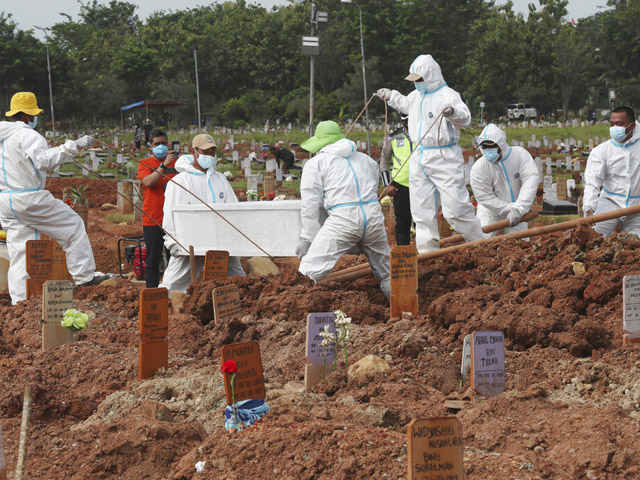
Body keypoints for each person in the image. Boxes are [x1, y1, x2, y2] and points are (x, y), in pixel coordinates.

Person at [0, 91, 104, 304]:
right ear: (29, 115)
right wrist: (74, 146)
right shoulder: (27, 134)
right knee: (73, 225)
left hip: (5, 200)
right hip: (28, 197)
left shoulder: (3, 136)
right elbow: (44, 161)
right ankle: (84, 277)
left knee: (21, 249)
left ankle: (20, 301)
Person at [376, 54, 484, 253]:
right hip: (419, 155)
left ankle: (480, 244)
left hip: (444, 156)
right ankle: (428, 252)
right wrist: (391, 96)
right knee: (421, 210)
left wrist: (453, 113)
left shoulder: (448, 95)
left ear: (430, 76)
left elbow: (465, 117)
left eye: (419, 79)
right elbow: (404, 104)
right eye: (414, 80)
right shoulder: (416, 96)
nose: (417, 84)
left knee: (456, 209)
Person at [296, 120, 390, 297]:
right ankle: (404, 311)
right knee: (389, 272)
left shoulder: (316, 164)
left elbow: (310, 205)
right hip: (373, 217)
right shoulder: (367, 161)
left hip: (343, 220)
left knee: (309, 271)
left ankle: (299, 309)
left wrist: (308, 238)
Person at [160, 134, 245, 292]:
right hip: (191, 242)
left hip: (221, 241)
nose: (210, 156)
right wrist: (172, 241)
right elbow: (171, 214)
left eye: (212, 152)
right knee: (174, 284)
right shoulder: (180, 181)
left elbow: (233, 209)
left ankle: (241, 303)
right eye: (205, 152)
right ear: (194, 152)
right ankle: (168, 307)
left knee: (238, 279)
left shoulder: (219, 179)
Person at [470, 124, 539, 236]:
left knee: (518, 245)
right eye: (485, 147)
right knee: (482, 243)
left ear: (501, 145)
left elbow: (530, 179)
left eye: (491, 146)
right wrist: (510, 209)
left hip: (518, 208)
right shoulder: (479, 168)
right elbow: (485, 197)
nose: (488, 151)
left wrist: (519, 208)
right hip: (490, 211)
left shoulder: (520, 155)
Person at [583, 106, 640, 235]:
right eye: (612, 124)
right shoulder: (602, 151)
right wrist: (589, 208)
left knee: (635, 246)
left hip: (637, 206)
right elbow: (593, 180)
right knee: (594, 237)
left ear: (632, 126)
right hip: (610, 202)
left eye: (620, 124)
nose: (615, 128)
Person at [137, 129, 179, 288]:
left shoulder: (178, 164)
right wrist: (164, 165)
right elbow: (148, 182)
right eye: (156, 144)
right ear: (150, 147)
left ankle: (171, 290)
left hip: (174, 219)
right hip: (153, 219)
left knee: (174, 259)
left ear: (168, 144)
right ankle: (152, 292)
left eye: (163, 143)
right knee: (152, 260)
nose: (160, 146)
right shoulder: (145, 164)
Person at [380, 115, 413, 245]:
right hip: (401, 186)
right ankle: (403, 253)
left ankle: (424, 254)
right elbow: (384, 160)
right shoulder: (394, 136)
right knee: (402, 223)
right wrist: (387, 184)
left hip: (422, 184)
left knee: (423, 220)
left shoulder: (425, 134)